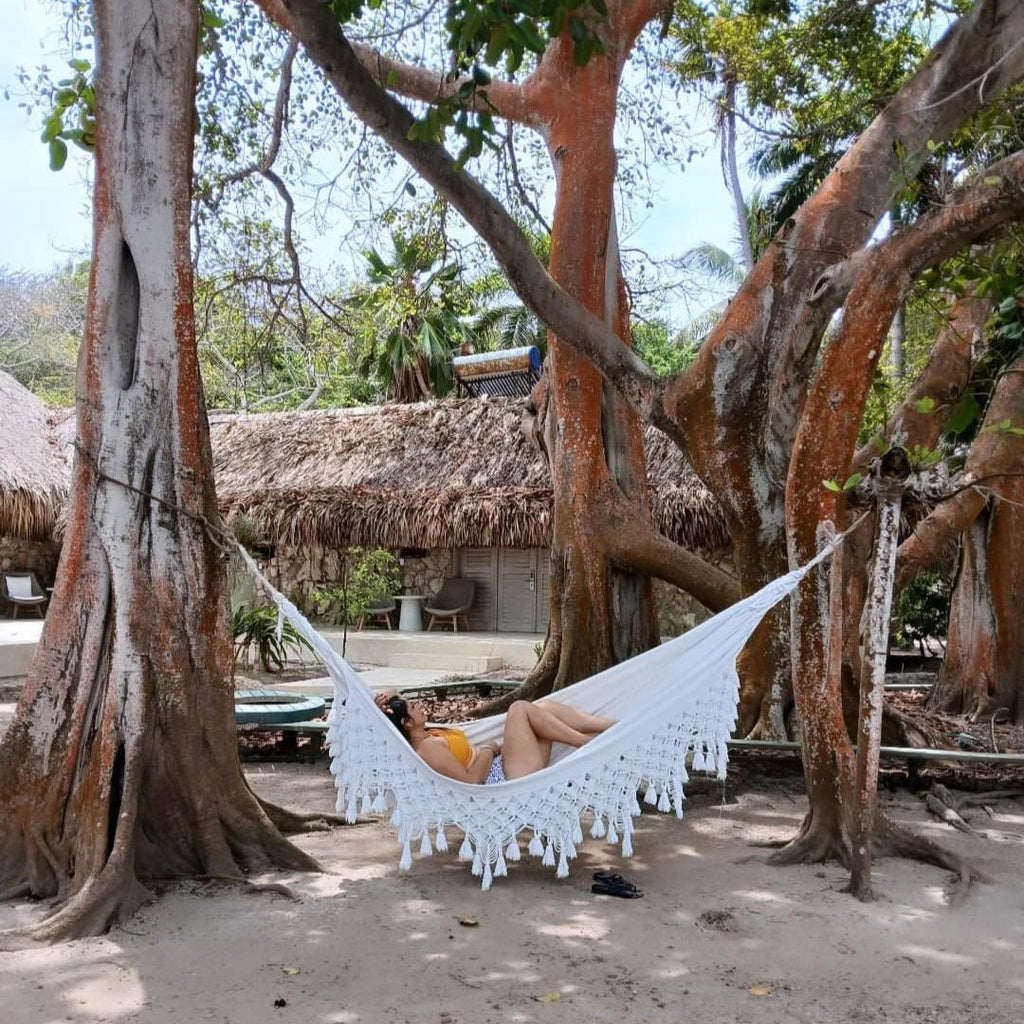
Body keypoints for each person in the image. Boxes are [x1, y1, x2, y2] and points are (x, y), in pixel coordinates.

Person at [374, 691, 615, 784]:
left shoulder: (429, 733)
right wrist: (488, 749)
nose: (420, 707)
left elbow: (395, 700)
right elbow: (470, 781)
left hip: (507, 766)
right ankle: (588, 745)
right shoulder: (427, 749)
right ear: (406, 722)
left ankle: (612, 727)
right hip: (504, 780)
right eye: (413, 707)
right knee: (520, 708)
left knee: (542, 708)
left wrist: (386, 701)